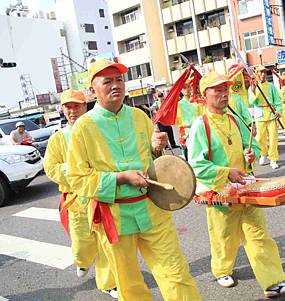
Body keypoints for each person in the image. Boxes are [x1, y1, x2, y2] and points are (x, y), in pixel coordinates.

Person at [66, 58, 201, 301]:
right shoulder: (83, 128)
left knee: (175, 272)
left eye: (119, 80)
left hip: (152, 208)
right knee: (129, 284)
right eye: (107, 81)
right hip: (114, 216)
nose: (115, 85)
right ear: (92, 90)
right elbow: (77, 178)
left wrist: (156, 149)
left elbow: (151, 161)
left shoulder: (140, 116)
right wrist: (120, 178)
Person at [187, 71, 285, 298]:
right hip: (220, 192)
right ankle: (221, 269)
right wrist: (226, 173)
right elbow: (196, 165)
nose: (223, 94)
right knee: (223, 236)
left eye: (225, 89)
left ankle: (273, 282)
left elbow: (254, 147)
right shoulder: (200, 125)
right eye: (217, 90)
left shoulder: (235, 119)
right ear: (204, 95)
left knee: (258, 234)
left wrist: (251, 154)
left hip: (247, 187)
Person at [43, 89, 117, 298]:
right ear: (63, 110)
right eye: (68, 106)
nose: (73, 110)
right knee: (81, 242)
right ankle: (83, 261)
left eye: (77, 105)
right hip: (75, 199)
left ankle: (108, 282)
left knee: (105, 243)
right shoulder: (57, 139)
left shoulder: (99, 130)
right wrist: (77, 171)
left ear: (86, 106)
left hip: (99, 195)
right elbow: (51, 168)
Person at [251, 65, 282, 169]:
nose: (263, 74)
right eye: (260, 72)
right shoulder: (252, 86)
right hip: (259, 114)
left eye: (264, 72)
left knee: (273, 137)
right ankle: (263, 153)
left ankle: (273, 158)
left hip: (271, 113)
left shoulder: (271, 86)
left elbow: (277, 101)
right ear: (256, 74)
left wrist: (278, 111)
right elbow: (251, 102)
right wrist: (254, 90)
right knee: (259, 138)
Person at [177, 81, 199, 159]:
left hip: (198, 128)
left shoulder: (196, 102)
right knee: (190, 153)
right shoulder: (178, 104)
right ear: (181, 91)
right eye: (184, 88)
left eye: (189, 87)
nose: (187, 90)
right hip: (186, 130)